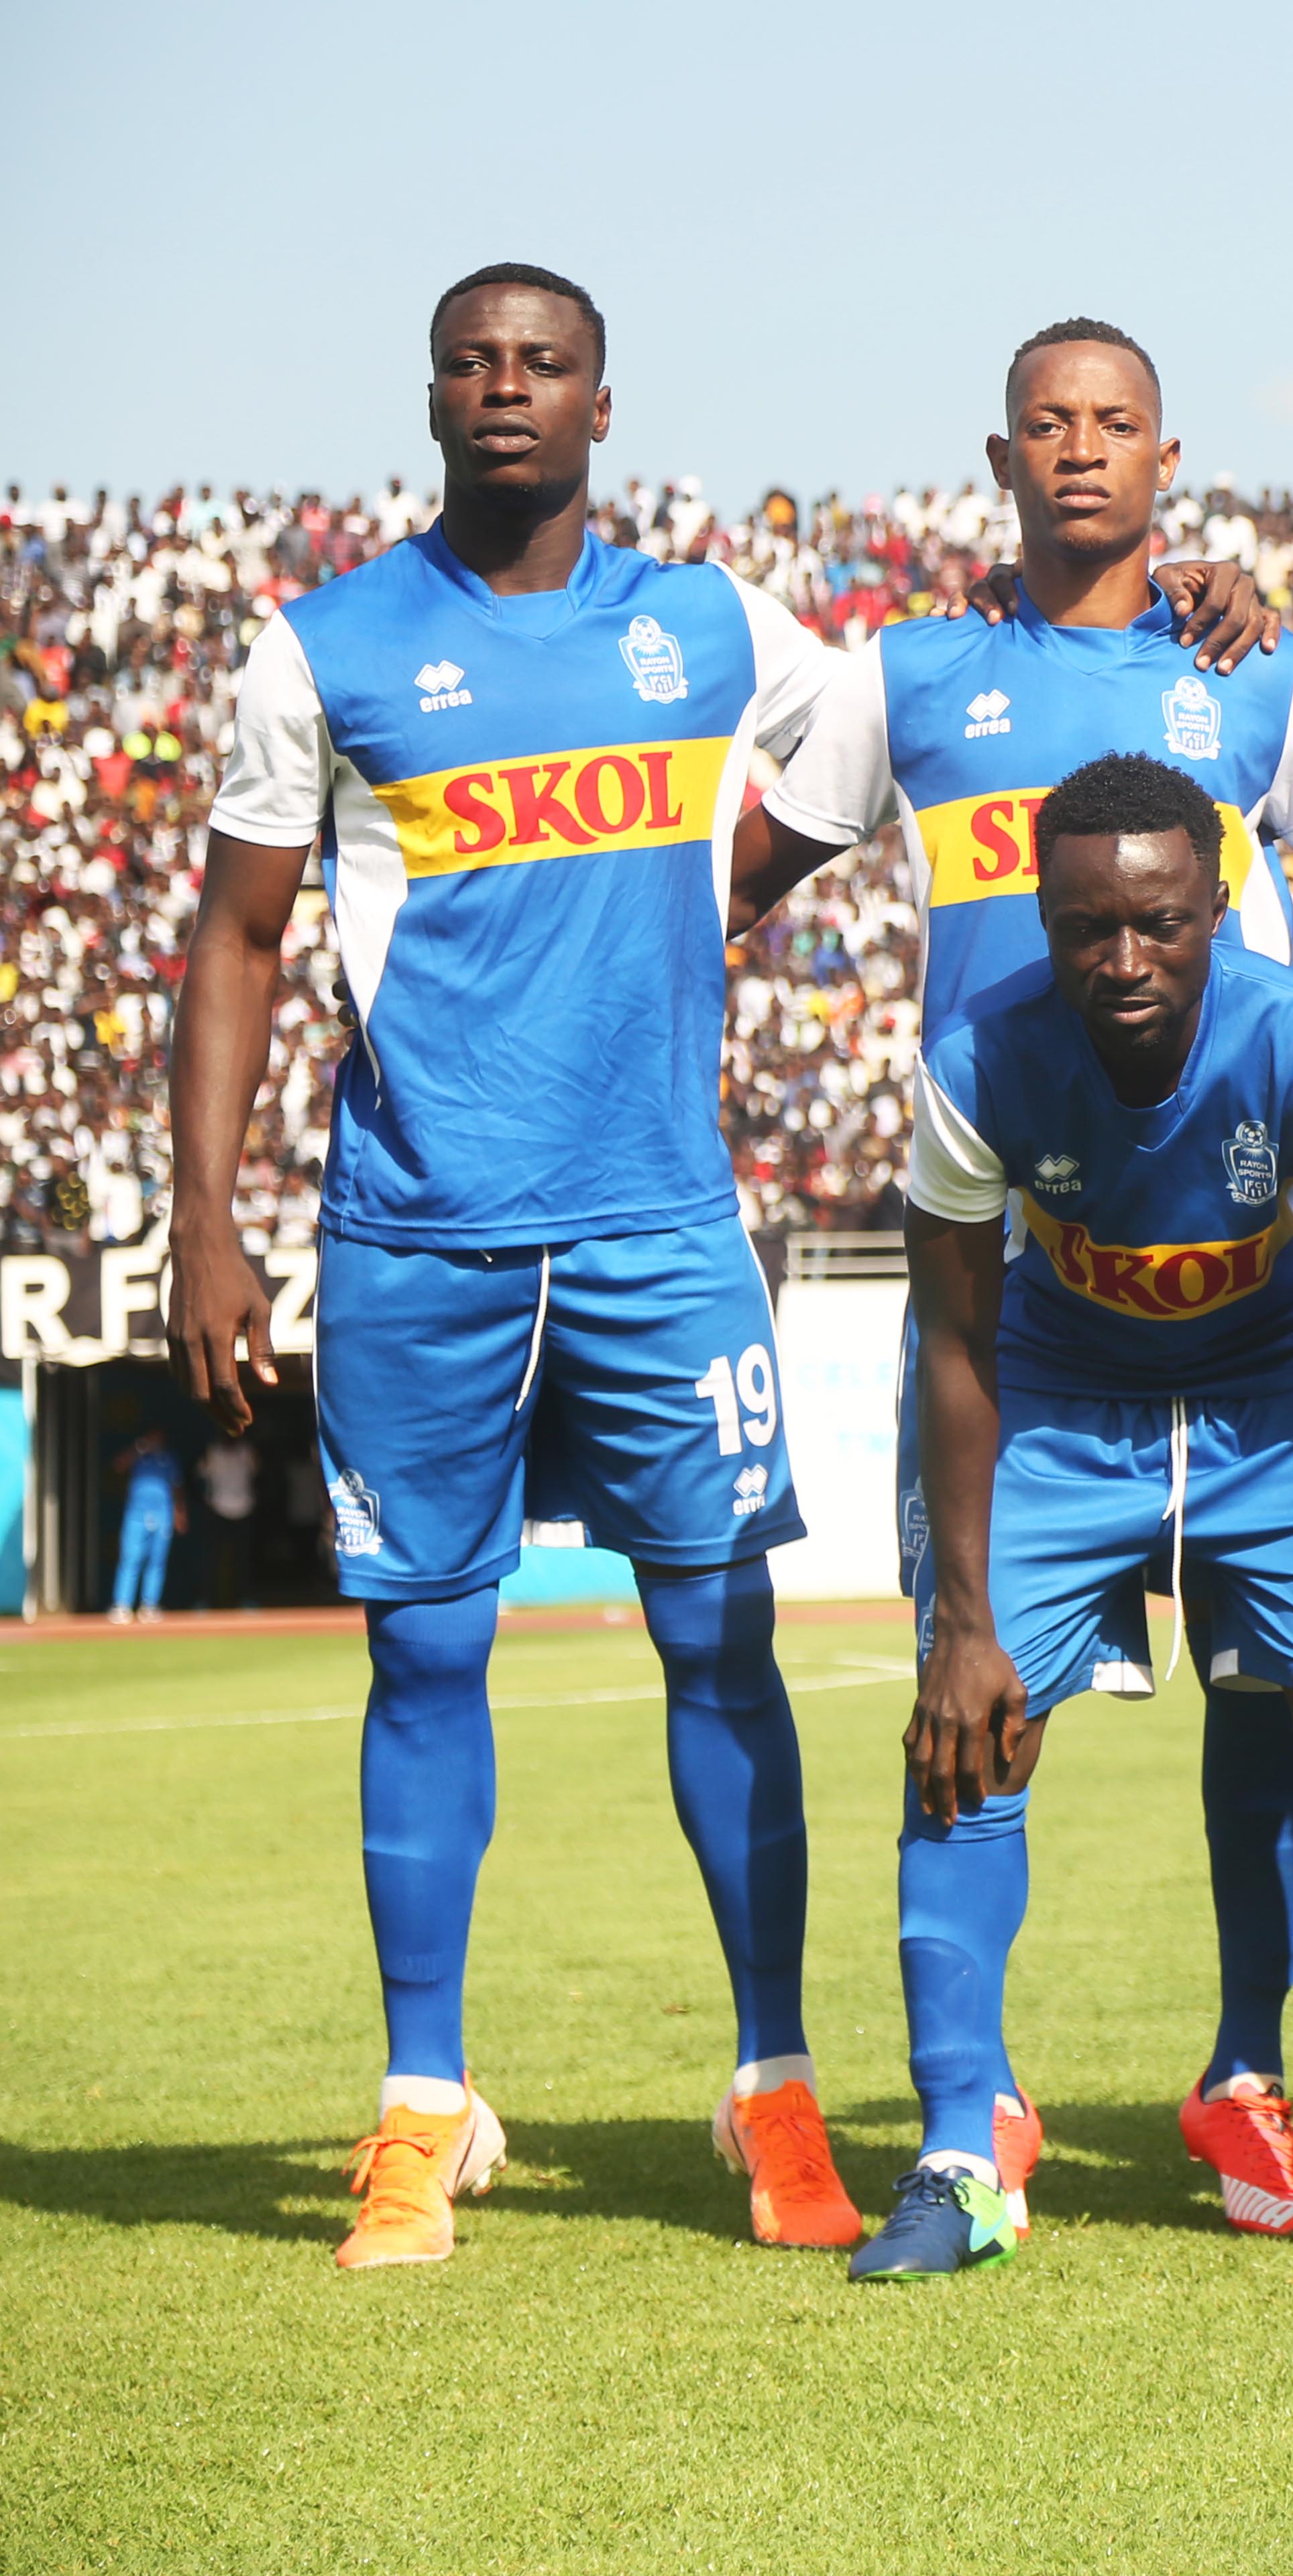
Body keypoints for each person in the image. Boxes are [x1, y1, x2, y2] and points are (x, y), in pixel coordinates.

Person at [730, 315, 1293, 2236]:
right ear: (1002, 459)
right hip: (1026, 1249)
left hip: (1239, 1283)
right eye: (1047, 425)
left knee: (1292, 1701)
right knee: (969, 1711)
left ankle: (1254, 2078)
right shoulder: (909, 676)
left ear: (1166, 456)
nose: (1080, 452)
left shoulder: (1252, 668)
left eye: (1114, 424)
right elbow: (727, 878)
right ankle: (970, 2137)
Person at [167, 263, 862, 2267]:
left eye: (541, 364)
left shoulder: (710, 625)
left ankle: (772, 2084)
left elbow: (869, 736)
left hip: (661, 1220)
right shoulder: (330, 647)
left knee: (720, 1638)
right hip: (421, 1228)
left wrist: (734, 889)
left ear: (602, 405)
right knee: (427, 1648)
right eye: (473, 362)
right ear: (433, 395)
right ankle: (417, 2101)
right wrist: (207, 1221)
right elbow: (232, 937)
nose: (505, 390)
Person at [860, 753, 1293, 2276]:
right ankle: (955, 2151)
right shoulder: (975, 1064)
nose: (1123, 961)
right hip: (1060, 1402)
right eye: (1085, 930)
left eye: (1162, 924)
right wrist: (964, 1622)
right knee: (966, 1732)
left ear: (1216, 908)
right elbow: (952, 1336)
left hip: (1273, 1402)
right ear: (1041, 918)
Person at [108, 1429, 178, 1620]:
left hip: (163, 1514)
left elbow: (176, 1487)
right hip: (137, 1514)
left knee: (157, 1561)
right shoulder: (138, 1455)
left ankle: (149, 1606)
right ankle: (122, 1605)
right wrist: (140, 1447)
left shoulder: (168, 1459)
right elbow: (119, 1465)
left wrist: (180, 1513)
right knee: (130, 1558)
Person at [199, 1434, 258, 1610]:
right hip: (218, 1510)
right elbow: (199, 1475)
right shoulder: (212, 1452)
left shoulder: (247, 1451)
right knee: (212, 1560)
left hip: (244, 1509)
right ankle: (207, 1601)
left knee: (241, 1560)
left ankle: (244, 1600)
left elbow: (257, 1470)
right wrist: (205, 1500)